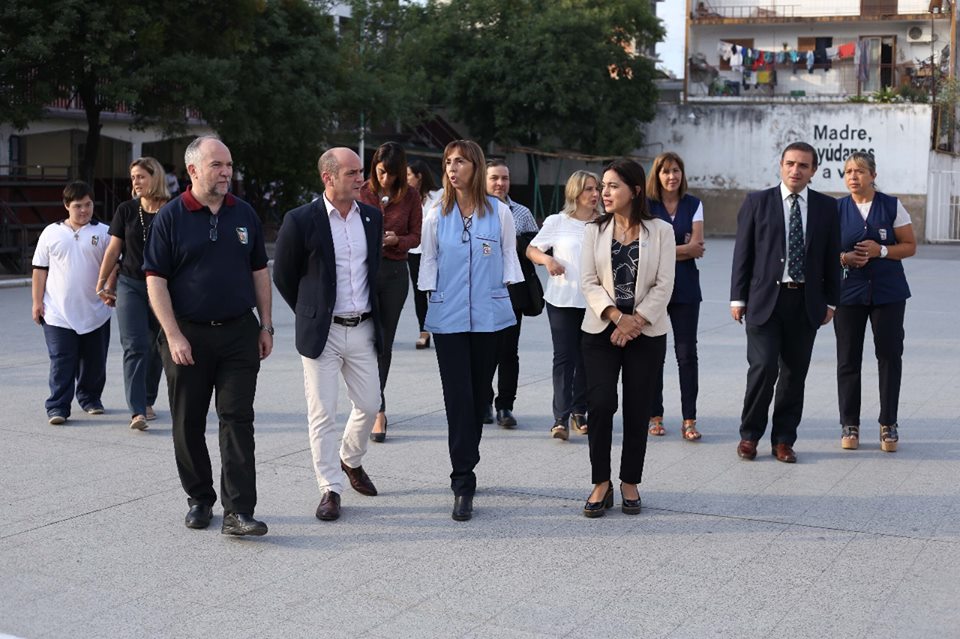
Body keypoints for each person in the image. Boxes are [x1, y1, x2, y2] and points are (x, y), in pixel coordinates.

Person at [144, 136, 273, 536]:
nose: (226, 172)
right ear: (194, 170)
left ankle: (239, 511)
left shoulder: (244, 213)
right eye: (217, 165)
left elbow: (259, 273)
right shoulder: (171, 217)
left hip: (238, 333)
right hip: (187, 337)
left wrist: (265, 324)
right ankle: (200, 498)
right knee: (188, 422)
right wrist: (173, 334)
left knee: (237, 419)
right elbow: (156, 280)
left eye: (229, 165)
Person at [274, 147, 383, 521]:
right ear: (328, 177)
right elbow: (284, 276)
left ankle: (350, 459)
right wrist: (311, 312)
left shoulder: (371, 217)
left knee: (370, 404)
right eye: (353, 173)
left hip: (364, 327)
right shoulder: (301, 219)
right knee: (322, 414)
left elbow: (375, 270)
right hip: (324, 332)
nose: (361, 179)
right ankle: (330, 488)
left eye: (360, 172)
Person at [418, 140, 523, 521]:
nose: (452, 168)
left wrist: (508, 300)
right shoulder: (435, 212)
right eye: (447, 162)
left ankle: (468, 456)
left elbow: (510, 257)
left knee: (479, 397)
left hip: (490, 317)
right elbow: (428, 261)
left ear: (475, 167)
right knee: (457, 399)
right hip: (448, 320)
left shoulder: (498, 212)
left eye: (459, 161)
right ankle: (463, 478)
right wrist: (427, 309)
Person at [730, 141, 841, 464]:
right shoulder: (757, 202)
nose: (796, 170)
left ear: (813, 171)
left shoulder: (825, 207)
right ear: (781, 165)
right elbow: (742, 255)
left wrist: (831, 302)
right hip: (764, 301)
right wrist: (738, 298)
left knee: (794, 375)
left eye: (803, 165)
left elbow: (831, 257)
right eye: (790, 163)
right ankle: (750, 435)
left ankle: (783, 440)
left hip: (805, 303)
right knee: (763, 368)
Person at [579, 159, 675, 518]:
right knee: (601, 404)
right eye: (602, 186)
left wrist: (636, 322)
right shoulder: (594, 231)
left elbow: (665, 284)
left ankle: (630, 481)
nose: (604, 193)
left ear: (634, 190)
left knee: (638, 409)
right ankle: (600, 482)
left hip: (646, 333)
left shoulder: (660, 231)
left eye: (613, 186)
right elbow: (587, 281)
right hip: (602, 330)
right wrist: (618, 318)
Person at [835, 152, 916, 452]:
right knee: (848, 359)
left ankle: (888, 423)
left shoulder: (892, 206)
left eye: (860, 171)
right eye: (848, 172)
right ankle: (849, 423)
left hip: (888, 293)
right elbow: (822, 251)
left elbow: (909, 246)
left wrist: (881, 250)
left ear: (873, 175)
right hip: (848, 294)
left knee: (889, 356)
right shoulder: (836, 209)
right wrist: (844, 257)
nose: (853, 177)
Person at [526, 170, 601, 440]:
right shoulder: (557, 222)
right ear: (575, 193)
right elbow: (532, 249)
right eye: (588, 189)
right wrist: (547, 261)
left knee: (586, 358)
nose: (595, 194)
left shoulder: (605, 222)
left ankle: (580, 411)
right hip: (561, 300)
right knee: (564, 357)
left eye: (597, 189)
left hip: (595, 302)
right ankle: (560, 417)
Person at [95, 157, 169, 431]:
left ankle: (148, 398)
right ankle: (137, 410)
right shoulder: (126, 210)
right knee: (135, 346)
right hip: (131, 284)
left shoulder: (173, 209)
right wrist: (103, 281)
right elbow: (114, 250)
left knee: (158, 346)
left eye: (140, 176)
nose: (135, 182)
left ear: (155, 177)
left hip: (164, 287)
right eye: (133, 177)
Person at [32, 181, 112, 425]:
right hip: (57, 312)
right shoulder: (51, 232)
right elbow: (39, 270)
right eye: (78, 206)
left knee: (94, 361)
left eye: (88, 205)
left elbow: (114, 266)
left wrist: (108, 288)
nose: (84, 211)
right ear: (67, 206)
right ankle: (58, 406)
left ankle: (90, 399)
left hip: (96, 311)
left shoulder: (105, 232)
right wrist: (37, 302)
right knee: (62, 359)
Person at [358, 142, 422, 443]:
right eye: (382, 172)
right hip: (361, 273)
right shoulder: (361, 191)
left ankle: (378, 409)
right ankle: (365, 403)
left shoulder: (409, 196)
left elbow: (416, 236)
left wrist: (398, 240)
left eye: (393, 175)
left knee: (383, 342)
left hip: (395, 274)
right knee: (360, 341)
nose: (386, 179)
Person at [646, 152, 705, 441]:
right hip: (652, 287)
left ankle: (689, 419)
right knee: (654, 354)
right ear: (656, 175)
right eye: (666, 171)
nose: (672, 176)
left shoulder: (694, 204)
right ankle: (654, 415)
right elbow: (644, 248)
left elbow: (697, 246)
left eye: (676, 171)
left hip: (686, 287)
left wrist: (664, 250)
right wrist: (681, 250)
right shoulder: (646, 205)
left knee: (686, 354)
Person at [484, 159, 539, 429]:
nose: (500, 183)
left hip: (512, 291)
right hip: (480, 291)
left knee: (508, 351)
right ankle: (483, 401)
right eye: (494, 178)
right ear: (483, 180)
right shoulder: (474, 210)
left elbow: (536, 250)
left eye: (504, 178)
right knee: (483, 351)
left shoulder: (522, 213)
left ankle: (505, 405)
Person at [405, 159, 442, 350]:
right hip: (415, 251)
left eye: (408, 175)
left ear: (419, 177)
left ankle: (442, 329)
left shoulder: (440, 195)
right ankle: (424, 332)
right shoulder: (406, 197)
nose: (405, 178)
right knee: (419, 293)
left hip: (436, 251)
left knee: (436, 292)